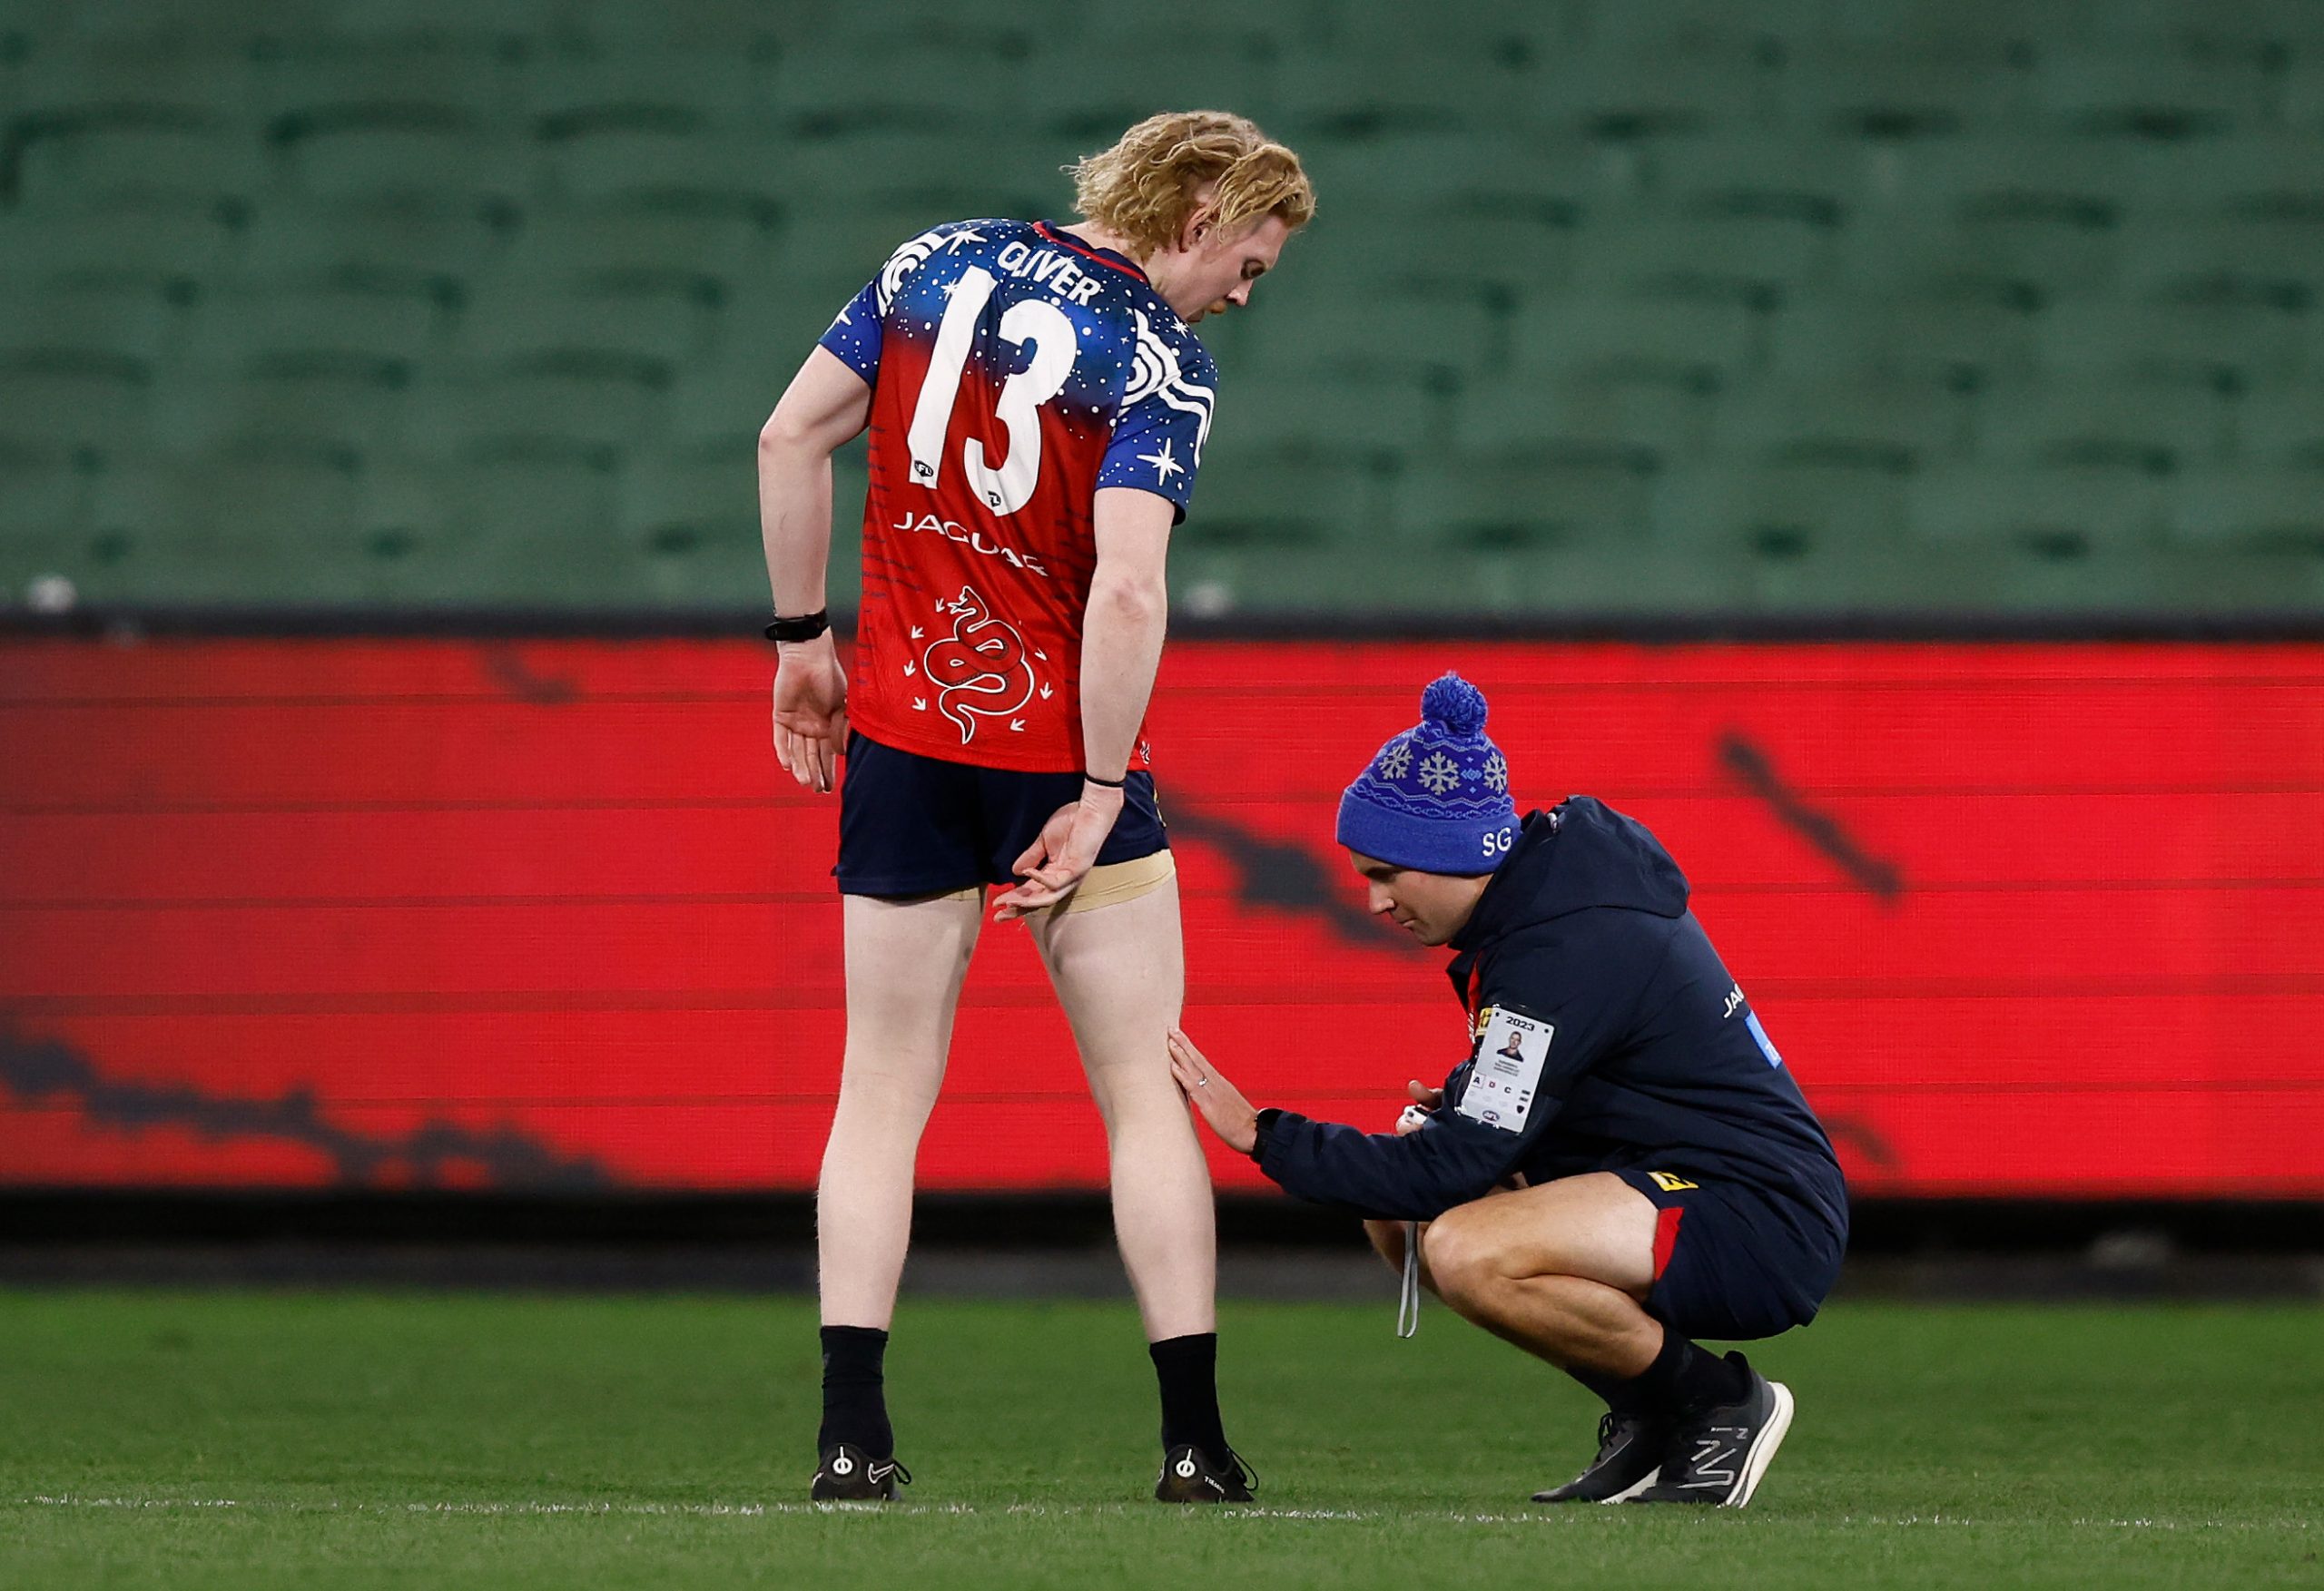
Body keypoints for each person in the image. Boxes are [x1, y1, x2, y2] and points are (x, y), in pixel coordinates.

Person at [757, 111, 1315, 1504]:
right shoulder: (1161, 363)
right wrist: (1101, 786)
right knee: (1141, 1097)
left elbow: (788, 437)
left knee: (877, 1096)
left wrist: (799, 643)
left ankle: (850, 1436)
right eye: (1249, 258)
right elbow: (1126, 588)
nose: (1245, 291)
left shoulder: (931, 261)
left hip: (900, 734)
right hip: (1058, 752)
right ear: (1197, 209)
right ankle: (1193, 1443)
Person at [1168, 673, 1848, 1508]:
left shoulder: (1557, 947)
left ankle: (1712, 1402)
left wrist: (1264, 1135)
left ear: (1458, 855)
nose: (1376, 901)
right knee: (1409, 1221)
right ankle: (1651, 1409)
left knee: (1464, 1244)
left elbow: (1452, 1167)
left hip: (1757, 1213)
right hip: (1691, 1180)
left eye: (1386, 873)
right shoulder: (1545, 909)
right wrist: (1458, 1111)